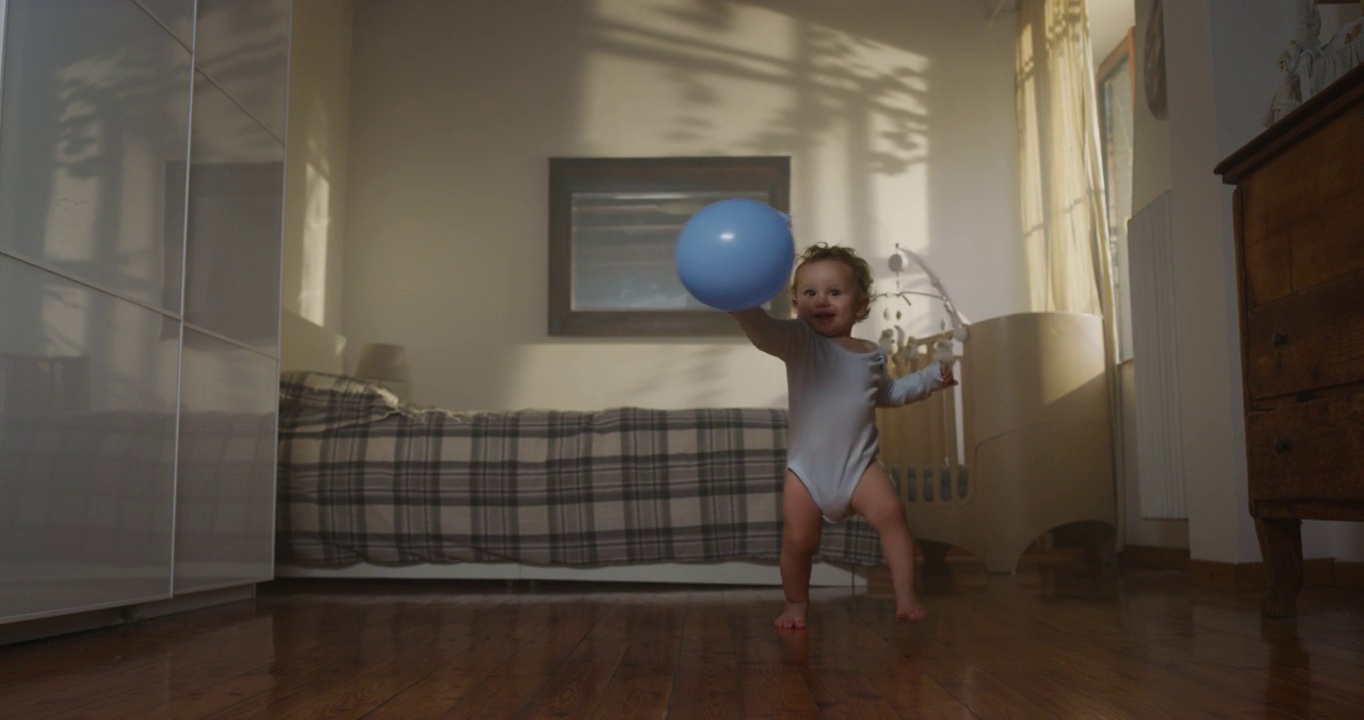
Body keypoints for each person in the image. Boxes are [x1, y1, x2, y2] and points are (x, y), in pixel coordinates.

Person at [730, 243, 956, 629]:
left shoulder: (871, 353)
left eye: (834, 292)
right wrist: (739, 303)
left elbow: (885, 393)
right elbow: (763, 332)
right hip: (807, 471)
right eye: (810, 293)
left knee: (893, 517)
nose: (821, 300)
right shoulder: (800, 343)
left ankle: (906, 599)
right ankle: (796, 604)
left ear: (862, 305)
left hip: (860, 465)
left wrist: (930, 379)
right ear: (795, 301)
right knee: (798, 543)